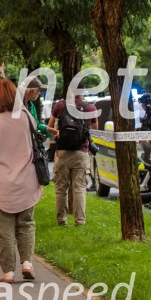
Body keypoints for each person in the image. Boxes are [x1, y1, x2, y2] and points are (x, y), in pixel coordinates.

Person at [0, 79, 42, 283]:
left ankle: (8, 271)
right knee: (26, 224)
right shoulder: (26, 117)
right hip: (27, 181)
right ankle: (27, 262)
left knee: (3, 229)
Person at [49, 91, 98, 226]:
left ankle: (61, 220)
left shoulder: (60, 105)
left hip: (62, 152)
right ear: (83, 93)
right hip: (81, 152)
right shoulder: (90, 108)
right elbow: (95, 128)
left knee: (61, 188)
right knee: (79, 188)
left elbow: (50, 126)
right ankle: (80, 222)